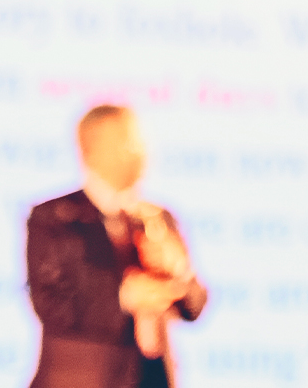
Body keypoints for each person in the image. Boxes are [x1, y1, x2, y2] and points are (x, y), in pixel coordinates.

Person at [27, 105, 207, 388]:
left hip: (150, 378)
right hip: (83, 378)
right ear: (91, 149)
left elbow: (194, 307)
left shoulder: (157, 217)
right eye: (126, 141)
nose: (140, 151)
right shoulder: (55, 219)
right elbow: (51, 305)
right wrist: (125, 297)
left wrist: (178, 273)